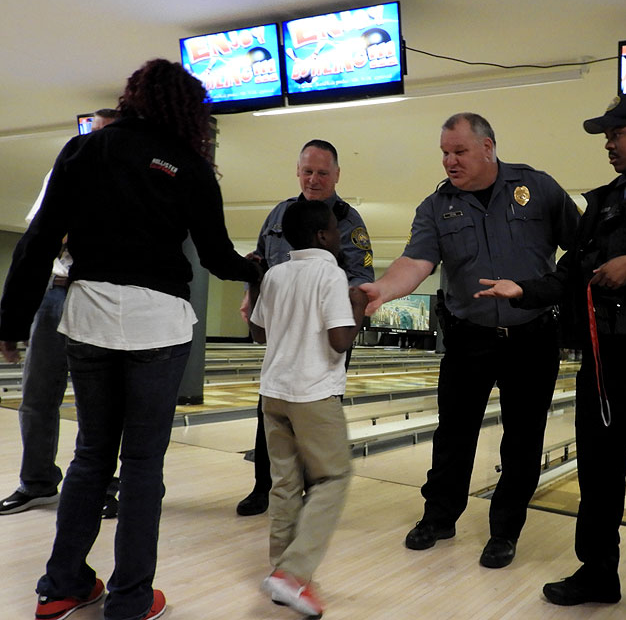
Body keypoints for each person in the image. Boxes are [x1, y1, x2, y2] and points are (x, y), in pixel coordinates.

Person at [0, 58, 263, 620]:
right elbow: (217, 257)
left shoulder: (84, 149)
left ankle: (62, 586)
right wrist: (255, 268)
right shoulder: (190, 165)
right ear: (185, 111)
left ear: (133, 97)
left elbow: (40, 238)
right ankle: (130, 600)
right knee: (143, 463)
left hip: (89, 313)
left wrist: (10, 322)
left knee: (92, 453)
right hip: (159, 323)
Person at [476, 93, 626, 618]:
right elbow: (571, 274)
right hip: (603, 366)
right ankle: (597, 572)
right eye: (605, 136)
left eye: (617, 133)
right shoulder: (602, 202)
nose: (608, 144)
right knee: (598, 479)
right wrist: (526, 291)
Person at [360, 112, 579, 568]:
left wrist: (552, 287)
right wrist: (382, 289)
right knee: (454, 433)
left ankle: (504, 531)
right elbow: (416, 260)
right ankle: (439, 517)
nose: (449, 161)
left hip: (532, 337)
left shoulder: (536, 188)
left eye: (458, 151)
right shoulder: (437, 207)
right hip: (469, 338)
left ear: (488, 147)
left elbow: (581, 247)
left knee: (522, 438)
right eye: (444, 152)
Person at [236, 139, 374, 517]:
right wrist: (255, 293)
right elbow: (261, 262)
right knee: (271, 406)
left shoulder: (347, 221)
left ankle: (314, 489)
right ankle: (264, 487)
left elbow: (360, 280)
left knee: (317, 416)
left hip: (327, 335)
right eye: (307, 171)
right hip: (284, 334)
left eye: (322, 173)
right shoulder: (281, 213)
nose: (313, 179)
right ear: (298, 172)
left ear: (337, 175)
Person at [247, 199, 367, 617]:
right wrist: (357, 306)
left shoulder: (277, 274)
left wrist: (253, 283)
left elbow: (257, 331)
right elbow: (339, 340)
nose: (339, 236)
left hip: (273, 393)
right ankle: (293, 575)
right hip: (313, 393)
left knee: (284, 482)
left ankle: (281, 568)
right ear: (323, 236)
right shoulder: (330, 273)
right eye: (336, 229)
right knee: (333, 477)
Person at [1, 109, 122, 518]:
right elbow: (41, 236)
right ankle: (36, 483)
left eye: (104, 133)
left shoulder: (127, 180)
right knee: (37, 396)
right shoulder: (62, 172)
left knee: (98, 402)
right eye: (91, 132)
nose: (94, 139)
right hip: (54, 295)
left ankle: (100, 485)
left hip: (97, 295)